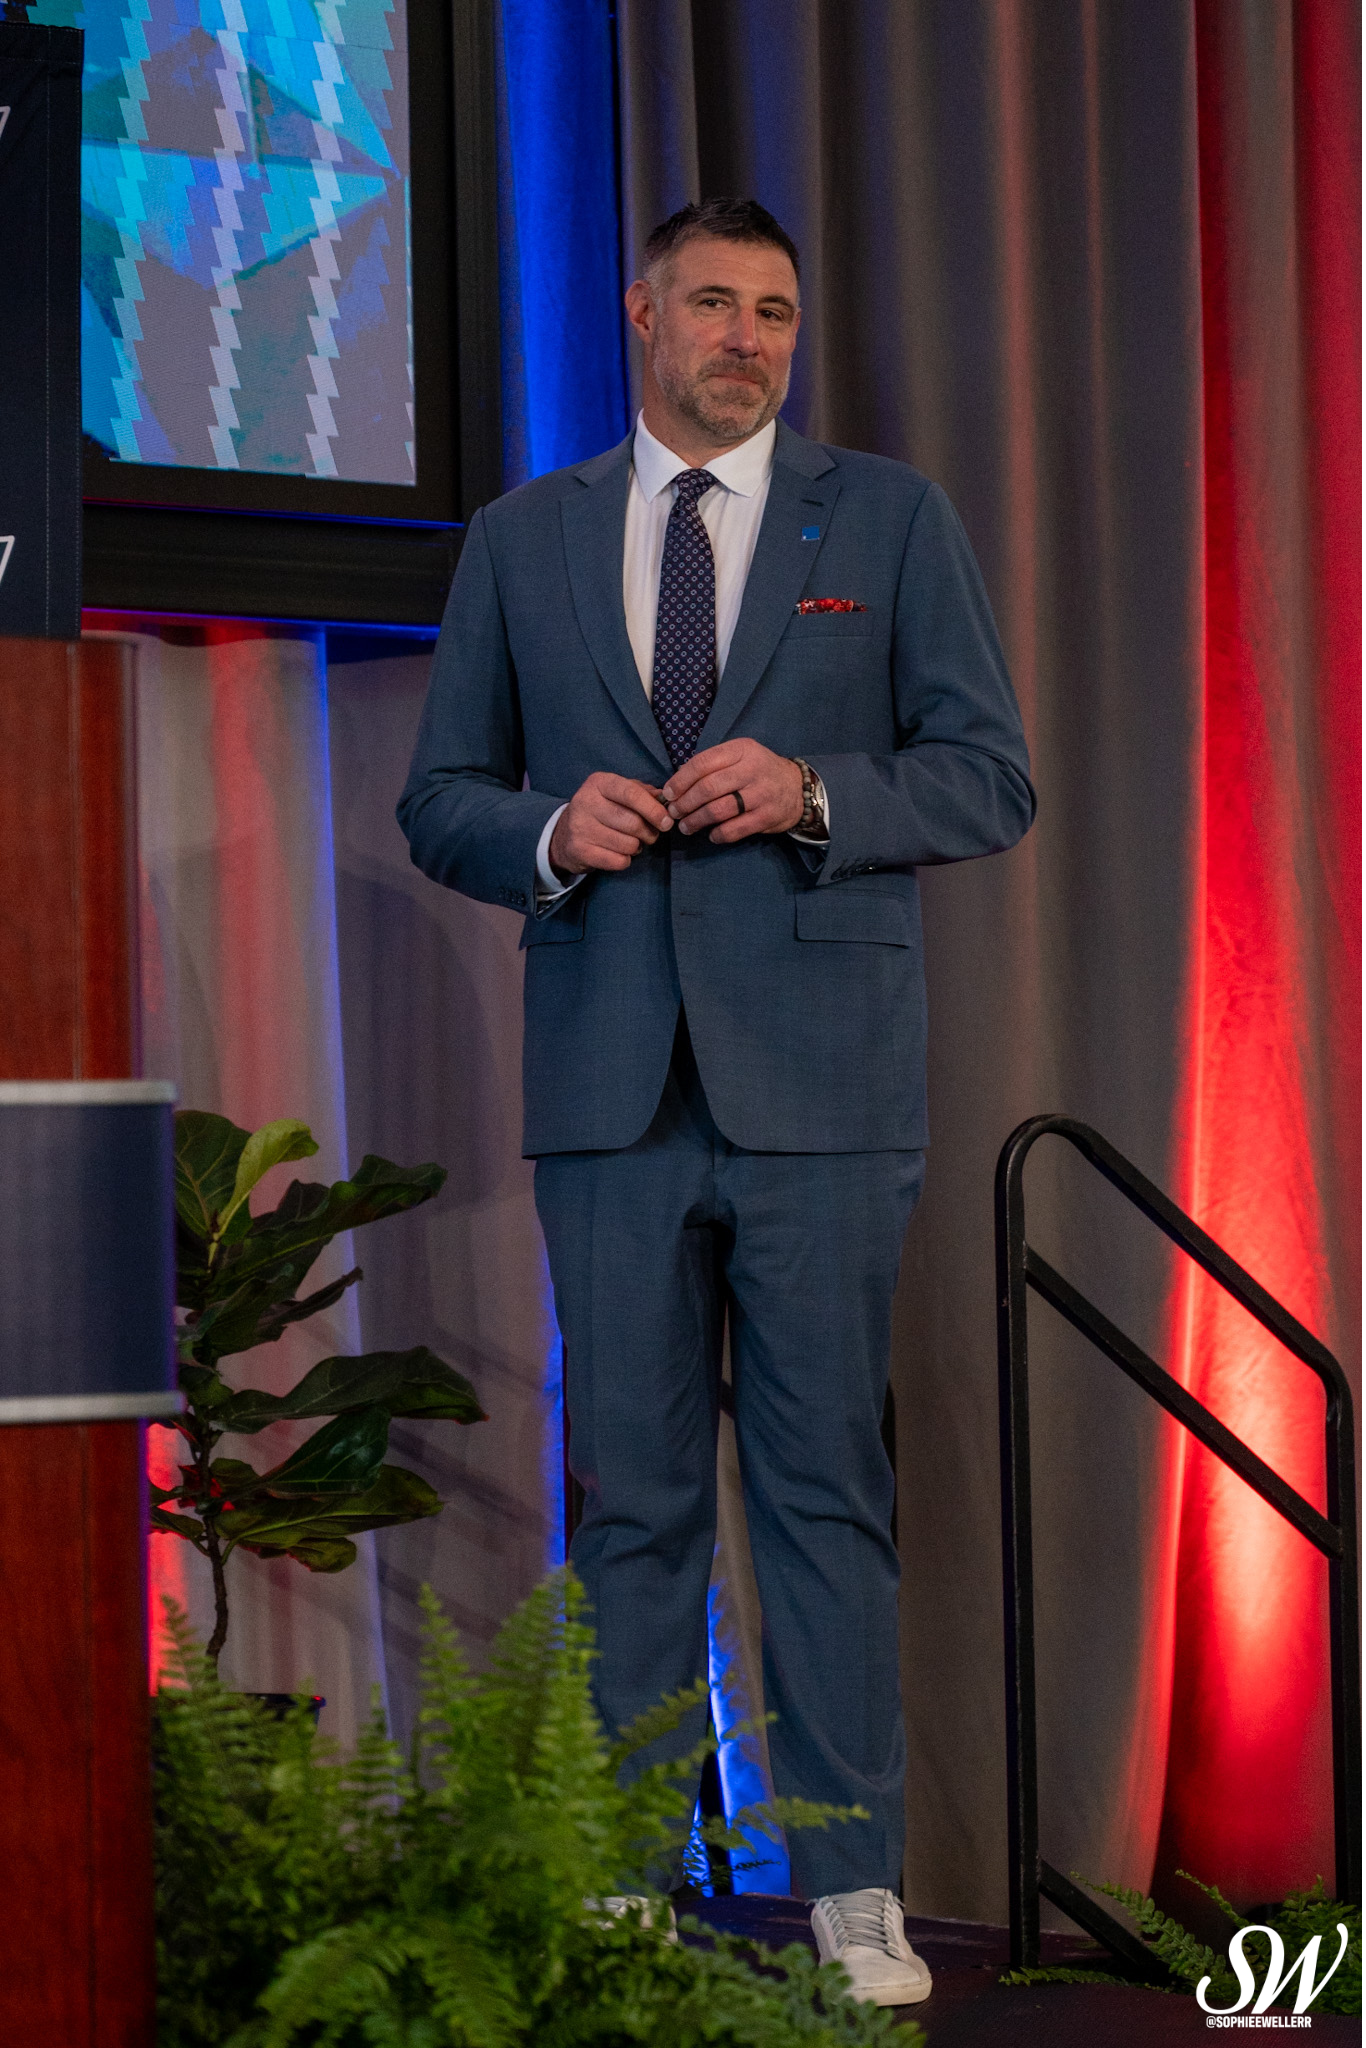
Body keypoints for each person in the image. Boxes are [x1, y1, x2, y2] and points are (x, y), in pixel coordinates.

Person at [399, 198, 1034, 2007]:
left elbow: (988, 777)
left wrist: (815, 792)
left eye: (774, 312)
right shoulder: (522, 537)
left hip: (821, 1094)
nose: (747, 339)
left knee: (825, 1494)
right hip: (608, 1092)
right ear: (641, 315)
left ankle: (853, 1892)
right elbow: (441, 795)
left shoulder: (888, 518)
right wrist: (546, 829)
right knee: (631, 1504)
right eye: (714, 306)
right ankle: (617, 1879)